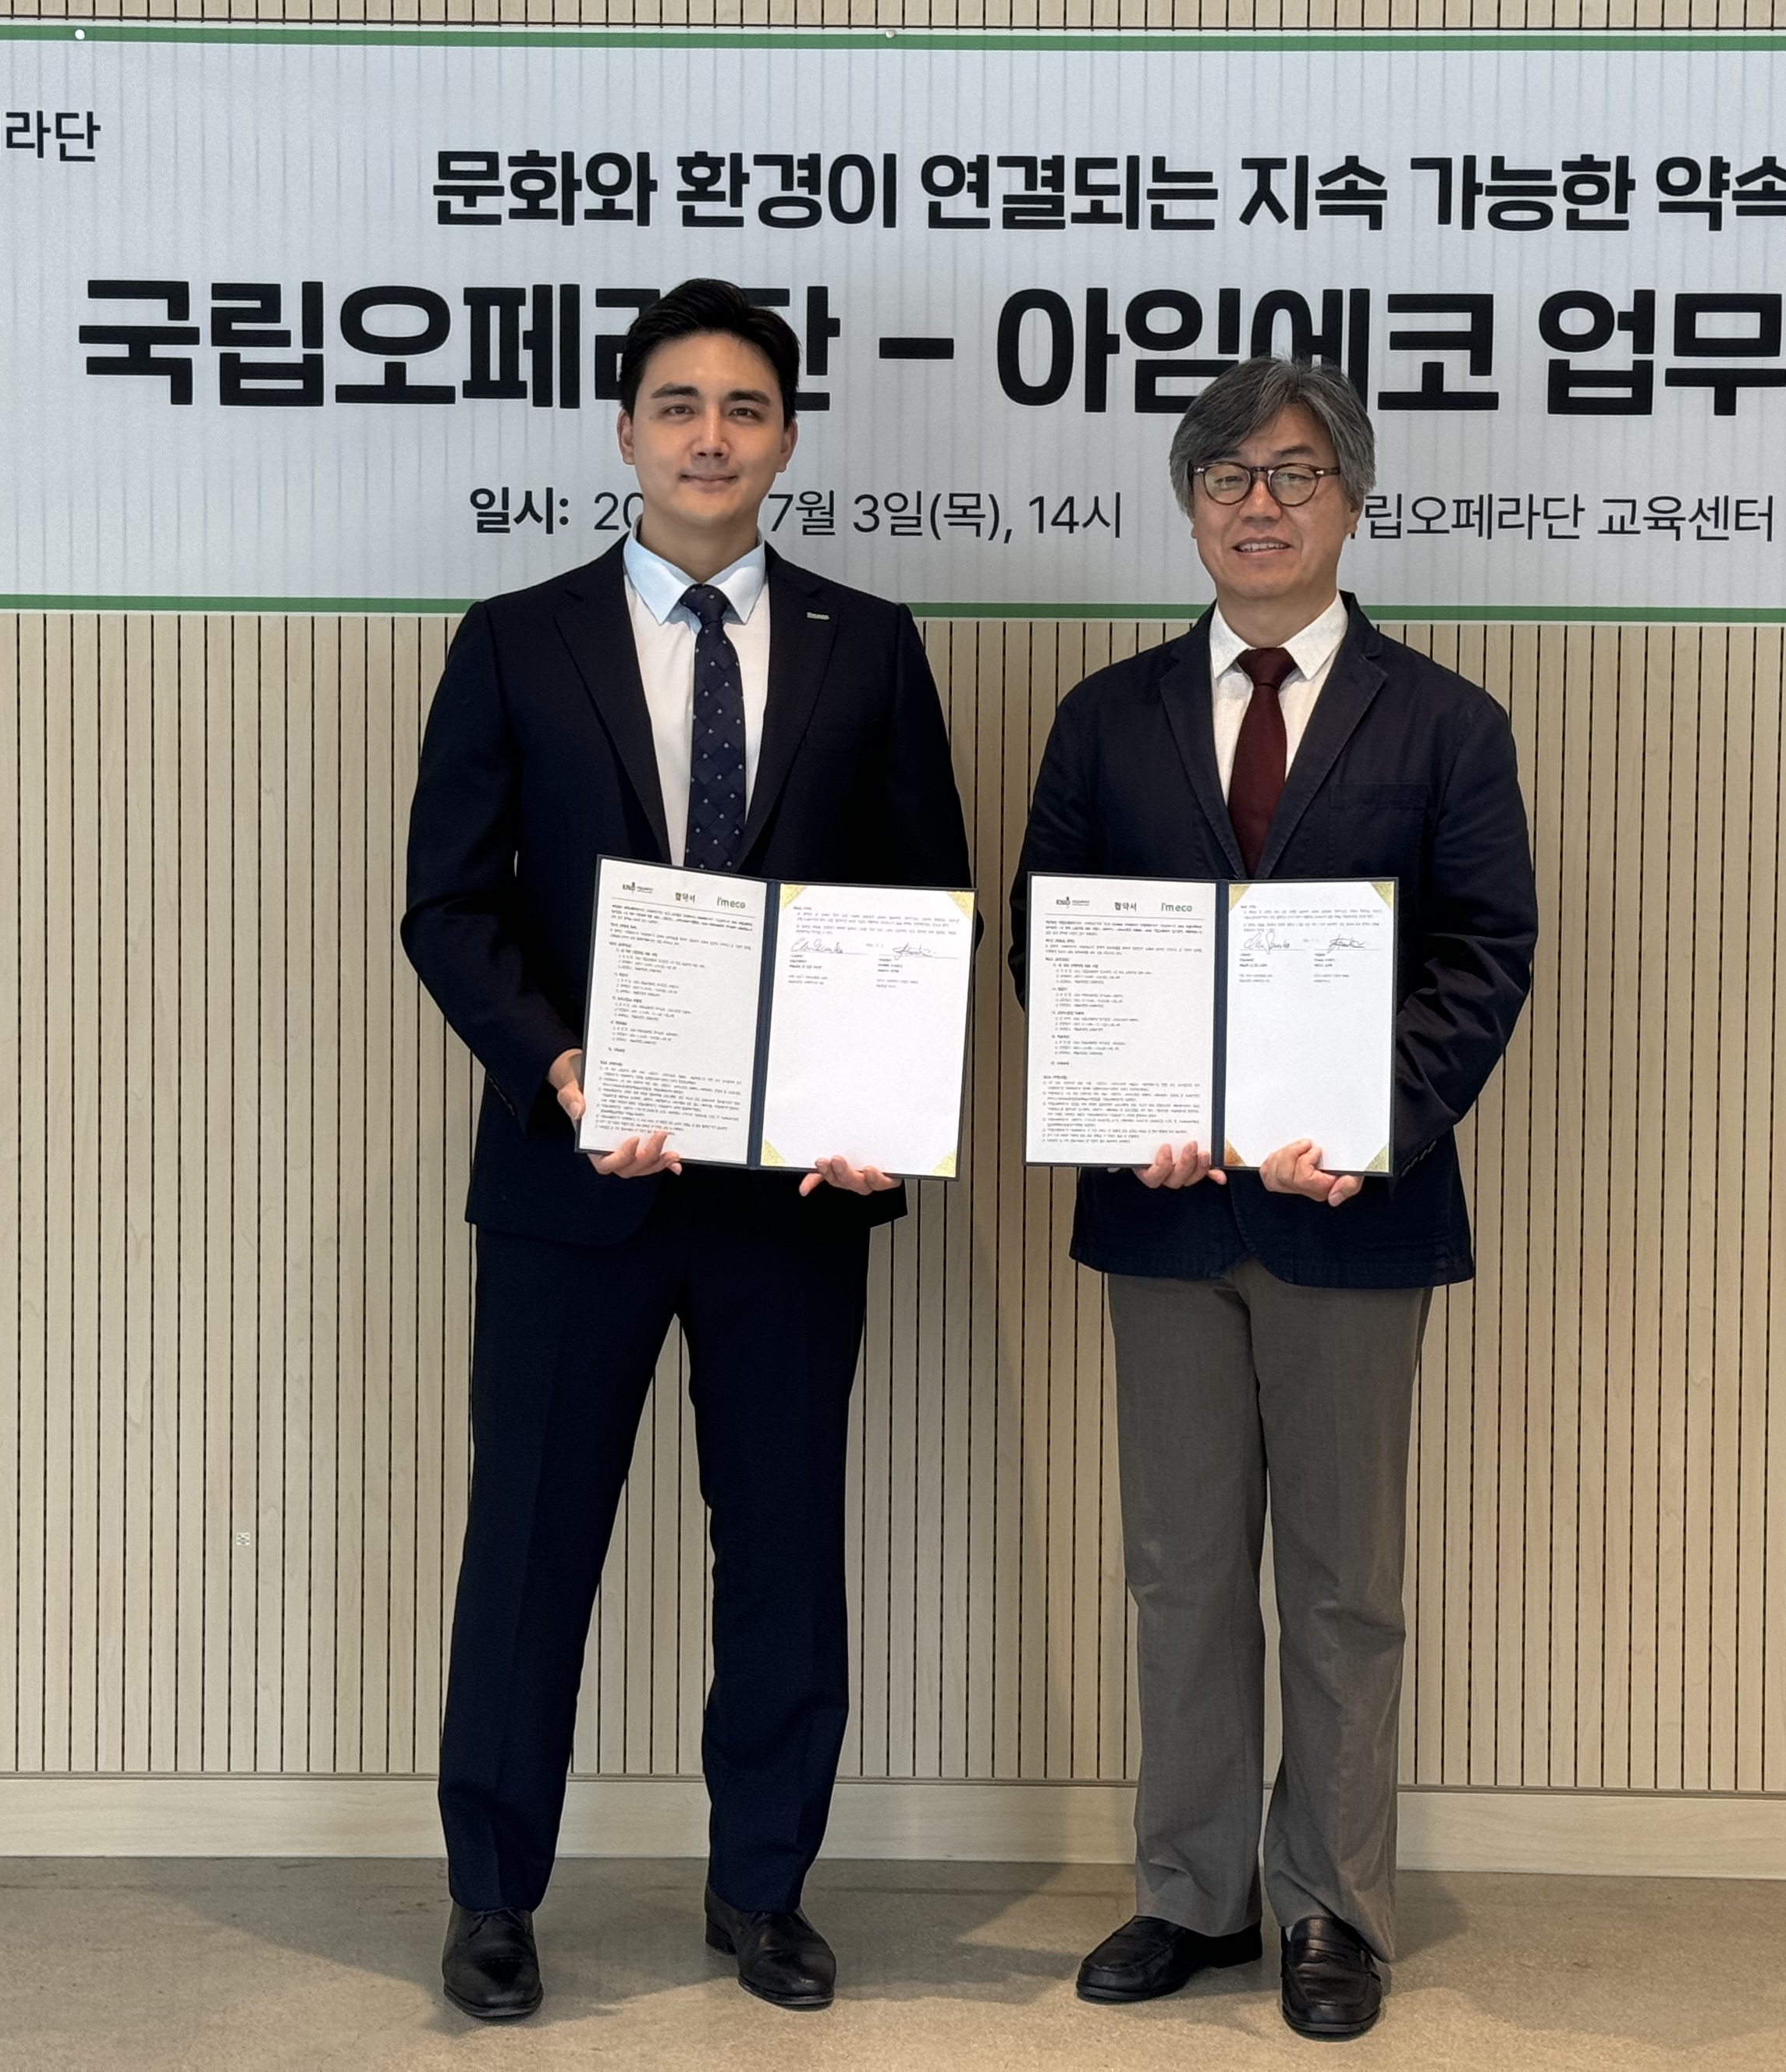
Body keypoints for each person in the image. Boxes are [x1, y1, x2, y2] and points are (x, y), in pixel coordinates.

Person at [401, 279, 972, 2022]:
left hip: (793, 1198)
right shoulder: (517, 639)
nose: (709, 436)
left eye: (742, 408)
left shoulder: (873, 646)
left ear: (786, 437)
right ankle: (494, 1897)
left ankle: (765, 1889)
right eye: (677, 405)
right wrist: (563, 1071)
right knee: (531, 1545)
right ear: (626, 431)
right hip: (577, 1178)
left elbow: (921, 909)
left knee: (784, 1544)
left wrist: (880, 1114)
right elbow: (448, 907)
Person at [1009, 355, 1536, 2042]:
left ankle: (1330, 1907)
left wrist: (1368, 1127)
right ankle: (1190, 1893)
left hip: (1353, 1217)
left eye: (1296, 474)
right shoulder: (1106, 717)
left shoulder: (1445, 720)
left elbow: (1484, 953)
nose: (1261, 504)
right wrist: (1125, 1114)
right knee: (1178, 1573)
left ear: (1351, 501)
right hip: (1164, 1212)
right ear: (1190, 506)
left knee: (1340, 1583)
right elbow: (1053, 945)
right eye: (1228, 475)